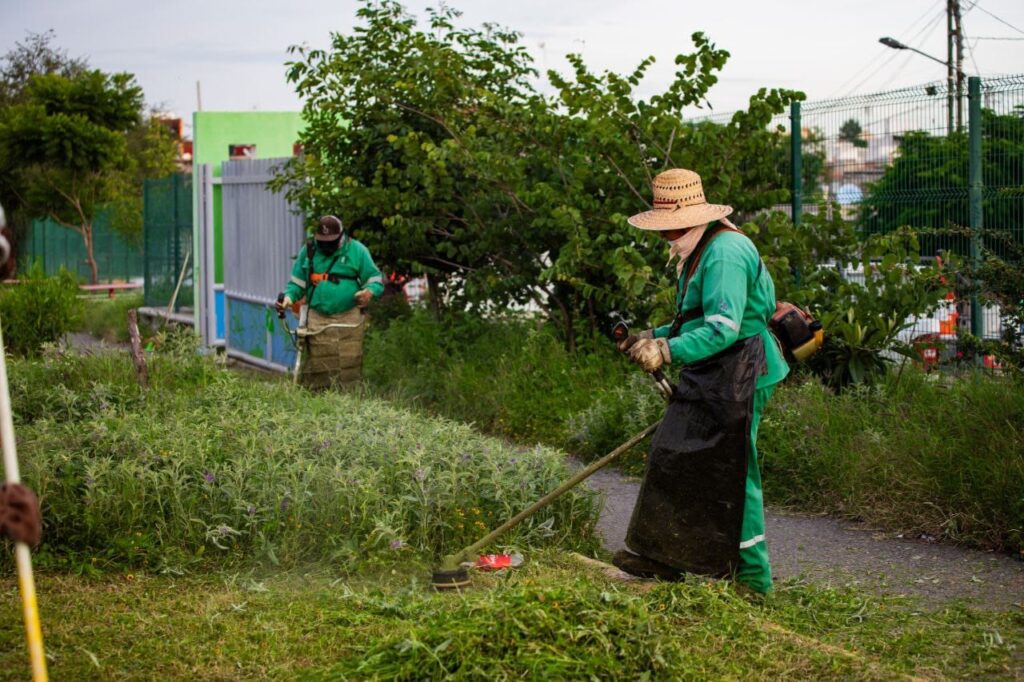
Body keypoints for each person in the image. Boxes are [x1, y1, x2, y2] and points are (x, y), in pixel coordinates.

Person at [614, 168, 789, 595]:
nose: (663, 236)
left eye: (666, 227)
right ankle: (663, 555)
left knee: (733, 469)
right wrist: (650, 337)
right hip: (714, 368)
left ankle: (752, 579)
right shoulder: (696, 248)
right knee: (674, 454)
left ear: (687, 217)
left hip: (743, 369)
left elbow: (724, 328)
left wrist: (667, 351)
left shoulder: (725, 252)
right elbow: (693, 319)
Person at [276, 215, 384, 389]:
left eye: (330, 241)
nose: (326, 245)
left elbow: (375, 279)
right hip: (318, 318)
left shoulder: (357, 250)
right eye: (322, 241)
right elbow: (297, 284)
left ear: (342, 236)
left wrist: (369, 292)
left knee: (349, 366)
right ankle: (319, 404)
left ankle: (350, 403)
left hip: (349, 318)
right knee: (320, 368)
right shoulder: (309, 251)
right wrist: (288, 299)